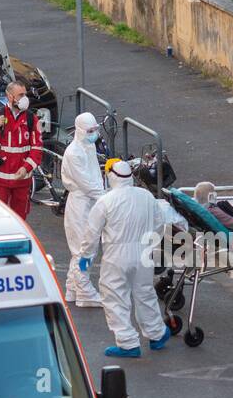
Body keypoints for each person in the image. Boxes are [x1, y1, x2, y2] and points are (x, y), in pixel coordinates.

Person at [81, 161, 171, 358]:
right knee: (145, 293)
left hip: (117, 255)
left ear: (110, 176)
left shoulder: (106, 201)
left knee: (115, 297)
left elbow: (91, 234)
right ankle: (157, 333)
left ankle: (128, 343)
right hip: (144, 251)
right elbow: (159, 224)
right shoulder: (146, 196)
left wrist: (85, 257)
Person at [0, 81, 42, 219]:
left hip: (22, 182)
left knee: (20, 220)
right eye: (21, 95)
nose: (25, 99)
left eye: (25, 94)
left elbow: (37, 148)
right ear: (10, 97)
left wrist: (26, 168)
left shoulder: (31, 119)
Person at [61, 112, 105, 308]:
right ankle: (85, 290)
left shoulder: (88, 146)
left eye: (95, 129)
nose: (94, 134)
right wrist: (107, 198)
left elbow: (94, 177)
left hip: (88, 202)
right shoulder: (74, 153)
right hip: (80, 203)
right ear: (79, 131)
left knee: (81, 249)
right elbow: (86, 183)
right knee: (84, 250)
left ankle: (72, 286)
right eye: (90, 131)